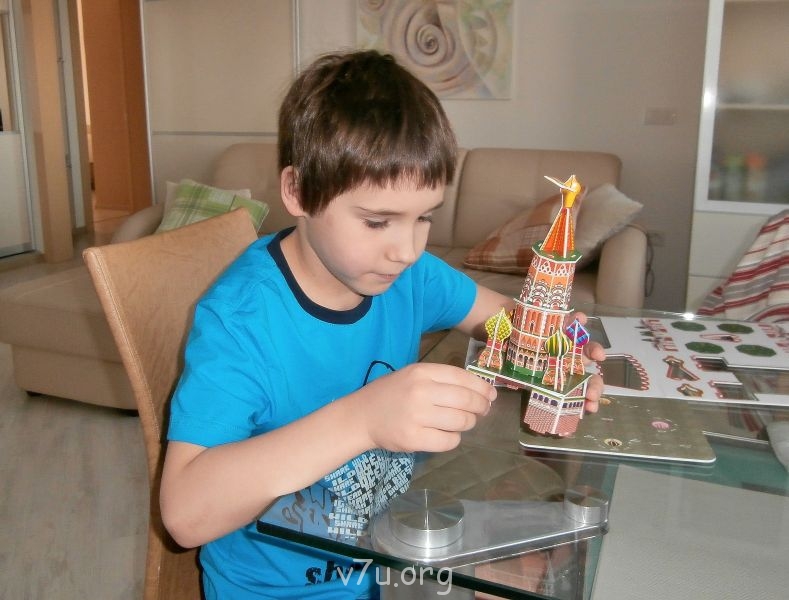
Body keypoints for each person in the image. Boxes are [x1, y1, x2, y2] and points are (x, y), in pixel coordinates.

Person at [159, 49, 605, 599]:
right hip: (284, 589)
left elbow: (505, 322)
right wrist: (364, 420)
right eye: (376, 221)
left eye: (424, 217)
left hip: (393, 552)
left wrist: (557, 350)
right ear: (298, 191)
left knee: (563, 552)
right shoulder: (241, 320)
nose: (407, 250)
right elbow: (184, 515)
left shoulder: (411, 277)